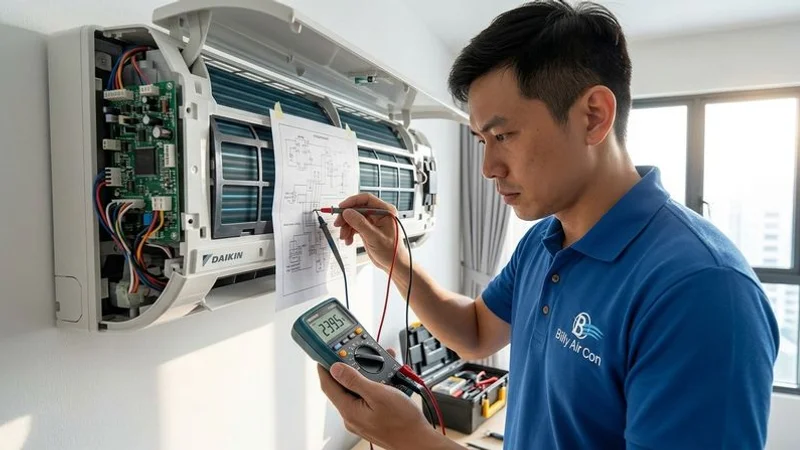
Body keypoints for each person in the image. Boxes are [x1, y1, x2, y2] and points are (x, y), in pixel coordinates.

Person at [316, 1, 780, 448]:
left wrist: (414, 441)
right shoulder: (543, 239)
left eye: (503, 135)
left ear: (593, 117)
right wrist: (395, 260)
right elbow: (475, 332)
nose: (488, 168)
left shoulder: (702, 290)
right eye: (481, 140)